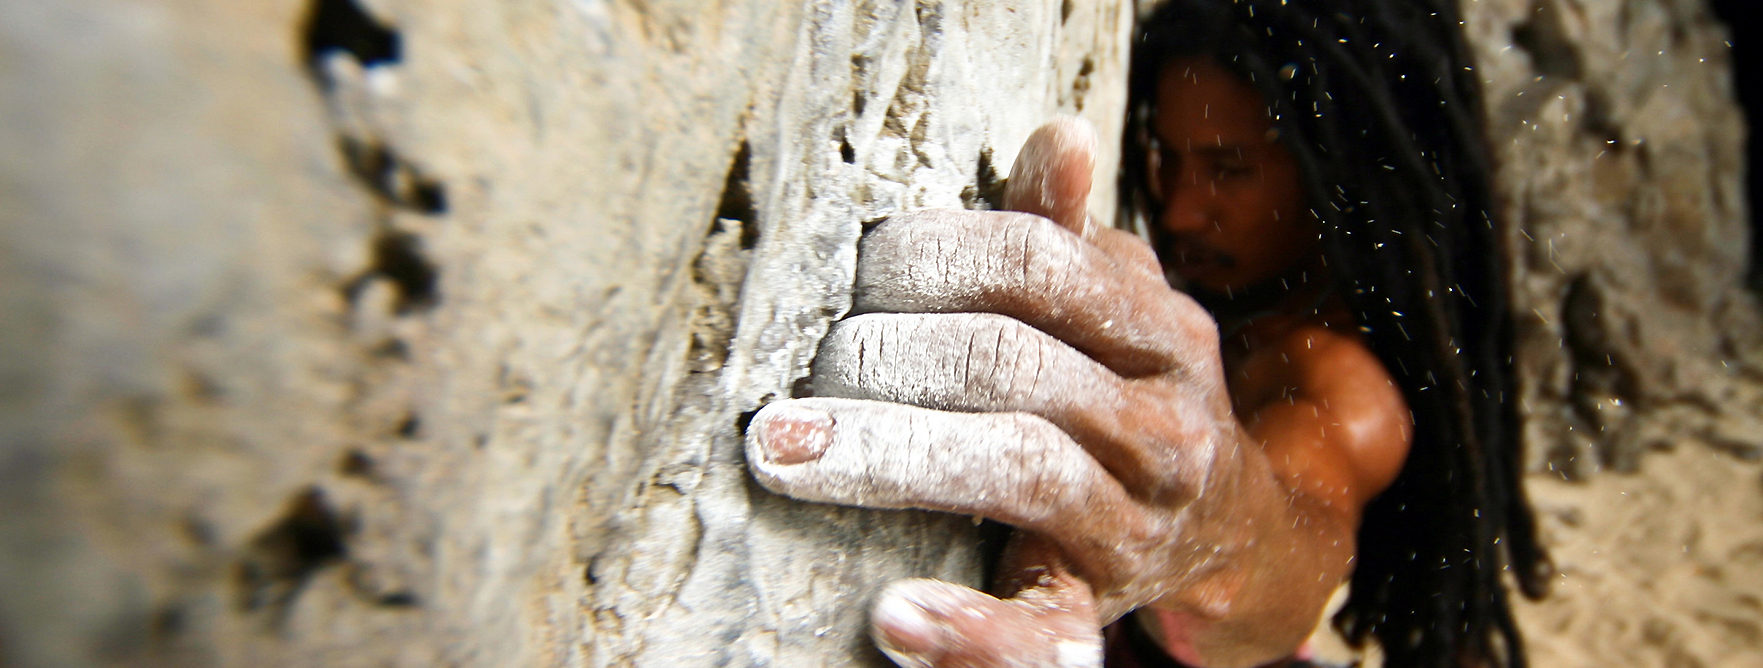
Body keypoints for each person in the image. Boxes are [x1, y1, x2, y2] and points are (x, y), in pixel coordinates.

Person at [746, 0, 1549, 666]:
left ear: (1340, 174)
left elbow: (1293, 548)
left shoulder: (1344, 384)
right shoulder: (1246, 294)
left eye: (1229, 169)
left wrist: (1216, 534)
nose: (1179, 210)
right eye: (1166, 159)